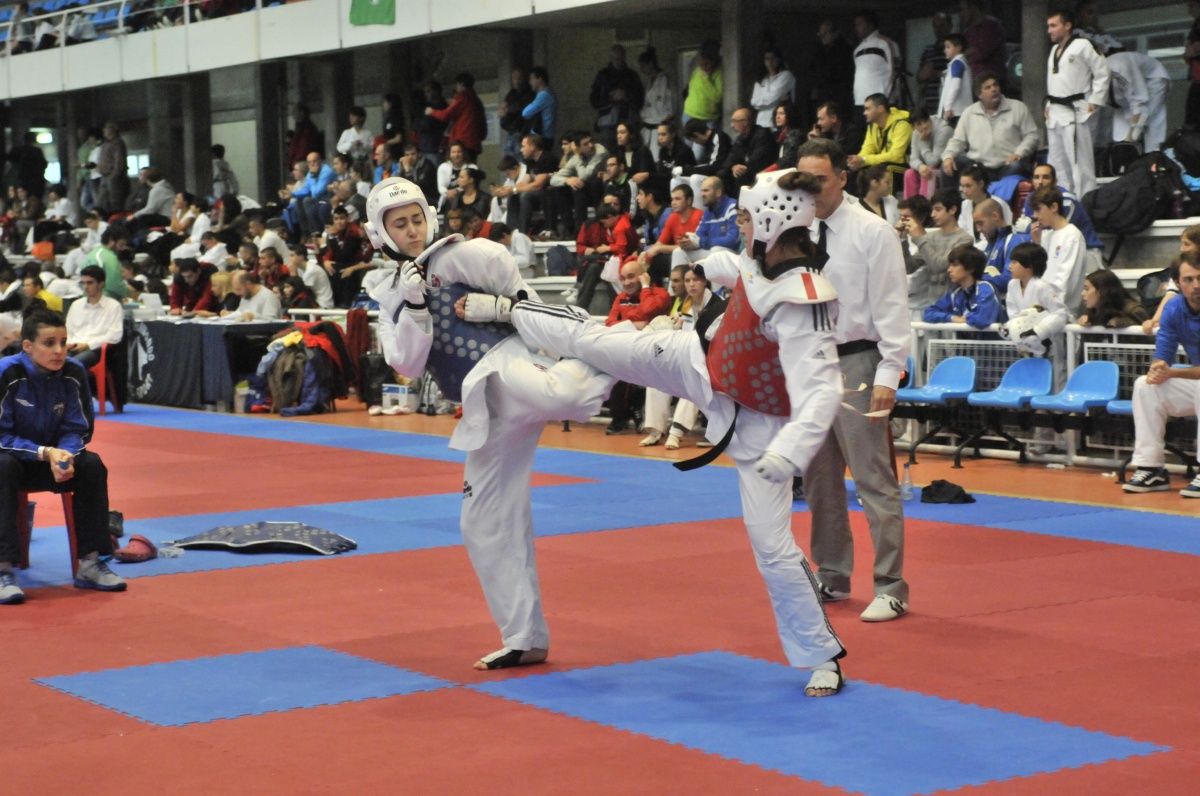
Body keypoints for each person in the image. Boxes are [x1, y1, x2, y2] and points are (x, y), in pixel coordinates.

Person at [504, 168, 850, 695]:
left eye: (744, 218)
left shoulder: (804, 296)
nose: (740, 227)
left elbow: (823, 389)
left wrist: (791, 451)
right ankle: (507, 308)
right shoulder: (757, 262)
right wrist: (704, 263)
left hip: (763, 428)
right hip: (695, 361)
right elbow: (736, 269)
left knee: (772, 546)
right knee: (595, 344)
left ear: (769, 221)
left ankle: (821, 655)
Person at [365, 176, 612, 669]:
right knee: (481, 520)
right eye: (400, 224)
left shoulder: (458, 256)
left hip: (504, 362)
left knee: (566, 393)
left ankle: (616, 346)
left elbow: (516, 290)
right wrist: (414, 304)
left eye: (417, 219)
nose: (412, 231)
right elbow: (409, 365)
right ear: (381, 233)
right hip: (482, 407)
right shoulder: (390, 294)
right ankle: (524, 635)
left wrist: (500, 306)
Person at [796, 138, 911, 623]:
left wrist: (891, 369)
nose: (812, 189)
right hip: (809, 363)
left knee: (873, 479)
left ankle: (891, 585)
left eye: (820, 179)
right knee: (819, 480)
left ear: (843, 177)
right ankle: (833, 573)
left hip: (860, 363)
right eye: (803, 180)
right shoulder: (795, 230)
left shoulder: (872, 231)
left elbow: (892, 307)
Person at [0, 307, 127, 605]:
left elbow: (78, 427)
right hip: (14, 460)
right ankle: (3, 569)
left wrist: (66, 456)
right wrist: (44, 453)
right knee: (0, 467)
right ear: (28, 346)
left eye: (63, 341)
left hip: (57, 462)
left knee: (92, 464)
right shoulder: (7, 373)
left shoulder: (73, 372)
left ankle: (90, 563)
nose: (59, 351)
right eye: (49, 343)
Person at [1123, 253, 1200, 496]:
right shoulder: (1174, 308)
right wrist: (1158, 371)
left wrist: (1172, 374)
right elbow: (1162, 354)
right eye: (1189, 279)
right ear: (1178, 283)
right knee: (1145, 385)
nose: (1196, 285)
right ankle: (1151, 468)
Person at [639, 265, 726, 450]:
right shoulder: (684, 303)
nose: (691, 284)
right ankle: (656, 431)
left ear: (705, 281)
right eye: (687, 281)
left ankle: (676, 433)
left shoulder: (717, 305)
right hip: (682, 357)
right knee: (656, 379)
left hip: (709, 363)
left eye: (696, 280)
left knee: (692, 381)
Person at [1045, 8, 1110, 199]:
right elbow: (1054, 82)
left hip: (1076, 111)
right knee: (1058, 162)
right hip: (1055, 112)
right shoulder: (1053, 50)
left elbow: (1102, 72)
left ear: (1067, 26)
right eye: (1048, 26)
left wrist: (1095, 101)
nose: (1049, 30)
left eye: (1053, 25)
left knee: (1081, 164)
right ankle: (1065, 200)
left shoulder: (1083, 45)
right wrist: (1047, 106)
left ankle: (1086, 202)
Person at [941, 74, 1039, 180]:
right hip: (979, 167)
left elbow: (1032, 135)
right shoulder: (969, 113)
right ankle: (951, 196)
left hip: (1009, 164)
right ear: (979, 94)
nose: (994, 89)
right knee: (950, 164)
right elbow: (957, 141)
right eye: (987, 87)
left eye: (995, 85)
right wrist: (948, 156)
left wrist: (1019, 153)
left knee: (1016, 166)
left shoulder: (1018, 107)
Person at [906, 189, 974, 316]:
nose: (932, 214)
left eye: (937, 209)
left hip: (952, 305)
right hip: (929, 304)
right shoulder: (930, 237)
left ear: (952, 210)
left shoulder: (965, 239)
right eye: (932, 210)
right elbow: (910, 267)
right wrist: (903, 240)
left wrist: (920, 239)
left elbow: (940, 266)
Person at [1030, 186, 1087, 316]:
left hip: (1062, 314)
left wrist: (1047, 308)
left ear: (1054, 207)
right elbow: (1038, 274)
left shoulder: (1072, 236)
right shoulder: (1046, 235)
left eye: (1038, 209)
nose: (1035, 216)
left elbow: (1065, 282)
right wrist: (1037, 244)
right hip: (1043, 310)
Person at [1106, 49, 1170, 154]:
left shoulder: (1118, 68)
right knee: (1122, 126)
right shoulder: (1092, 76)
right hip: (1126, 85)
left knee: (1148, 118)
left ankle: (1153, 156)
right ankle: (1122, 154)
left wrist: (1131, 137)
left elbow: (1139, 102)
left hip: (1153, 78)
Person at [922, 244, 1002, 328]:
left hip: (992, 340)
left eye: (955, 265)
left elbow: (982, 319)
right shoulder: (956, 293)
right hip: (966, 341)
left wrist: (965, 319)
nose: (949, 270)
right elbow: (928, 313)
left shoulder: (986, 289)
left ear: (971, 268)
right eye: (950, 265)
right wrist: (952, 318)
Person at [671, 176, 738, 268]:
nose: (702, 194)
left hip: (733, 255)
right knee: (679, 252)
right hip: (712, 251)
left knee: (716, 251)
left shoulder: (732, 207)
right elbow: (699, 235)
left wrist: (701, 242)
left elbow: (732, 240)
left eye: (706, 191)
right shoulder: (708, 211)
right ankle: (678, 282)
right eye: (701, 191)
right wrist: (690, 241)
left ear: (718, 192)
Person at [848, 94, 912, 187]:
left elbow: (896, 157)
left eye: (868, 109)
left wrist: (864, 160)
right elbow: (867, 149)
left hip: (903, 168)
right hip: (882, 164)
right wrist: (857, 161)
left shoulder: (901, 125)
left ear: (881, 109)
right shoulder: (873, 126)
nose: (864, 113)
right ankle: (858, 201)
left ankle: (888, 201)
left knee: (886, 169)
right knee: (854, 171)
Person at [974, 197, 1030, 298]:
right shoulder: (988, 245)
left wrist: (974, 276)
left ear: (995, 216)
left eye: (980, 223)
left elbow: (1011, 280)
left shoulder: (1014, 241)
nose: (978, 229)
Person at [590, 45, 644, 145]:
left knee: (629, 148)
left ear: (624, 57)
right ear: (611, 58)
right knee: (609, 150)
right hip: (608, 121)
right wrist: (611, 98)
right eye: (616, 59)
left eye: (621, 58)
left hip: (628, 119)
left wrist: (626, 96)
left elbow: (640, 99)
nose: (619, 61)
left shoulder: (632, 75)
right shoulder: (602, 75)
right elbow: (594, 99)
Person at [427, 74, 488, 161]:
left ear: (461, 84)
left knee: (460, 169)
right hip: (474, 143)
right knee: (471, 169)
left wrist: (432, 112)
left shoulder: (462, 97)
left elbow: (446, 115)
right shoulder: (477, 100)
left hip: (462, 142)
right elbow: (482, 123)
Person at [851, 12, 895, 112]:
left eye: (860, 24)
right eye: (856, 25)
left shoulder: (884, 43)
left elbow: (892, 72)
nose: (857, 27)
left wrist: (885, 97)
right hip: (860, 100)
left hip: (878, 102)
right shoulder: (857, 49)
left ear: (870, 24)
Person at [1077, 268, 1149, 328]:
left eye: (1087, 289)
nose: (1082, 293)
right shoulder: (1092, 312)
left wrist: (1125, 323)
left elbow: (1151, 338)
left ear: (1102, 291)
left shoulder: (1133, 310)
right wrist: (1087, 323)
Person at [638, 48, 676, 158]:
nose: (641, 69)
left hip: (660, 125)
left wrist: (666, 123)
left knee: (658, 157)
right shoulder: (649, 80)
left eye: (643, 66)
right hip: (647, 126)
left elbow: (671, 106)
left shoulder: (665, 80)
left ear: (651, 64)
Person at [904, 109, 950, 199]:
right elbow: (913, 159)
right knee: (909, 173)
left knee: (928, 172)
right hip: (929, 168)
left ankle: (925, 208)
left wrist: (923, 142)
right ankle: (910, 207)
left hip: (946, 168)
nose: (924, 126)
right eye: (919, 124)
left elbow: (933, 162)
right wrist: (920, 166)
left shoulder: (944, 130)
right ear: (913, 127)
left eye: (925, 121)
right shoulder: (916, 133)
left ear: (929, 118)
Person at [750, 48, 796, 129]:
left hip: (779, 123)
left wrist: (761, 101)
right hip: (761, 122)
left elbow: (773, 96)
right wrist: (772, 100)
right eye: (767, 59)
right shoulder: (761, 80)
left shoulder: (786, 76)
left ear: (778, 59)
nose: (770, 62)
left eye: (773, 58)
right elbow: (753, 102)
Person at [499, 68, 534, 161]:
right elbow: (502, 109)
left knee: (521, 161)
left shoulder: (529, 93)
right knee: (509, 160)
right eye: (514, 78)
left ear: (523, 79)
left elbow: (522, 110)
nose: (516, 81)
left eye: (519, 78)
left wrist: (510, 110)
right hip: (510, 131)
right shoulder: (511, 93)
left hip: (522, 131)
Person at [938, 34, 972, 126]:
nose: (945, 50)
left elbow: (955, 86)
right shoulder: (962, 62)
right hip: (961, 110)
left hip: (955, 111)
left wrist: (948, 107)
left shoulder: (957, 63)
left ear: (958, 48)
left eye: (948, 47)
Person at [523, 67, 558, 143]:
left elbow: (526, 113)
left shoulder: (544, 95)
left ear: (540, 79)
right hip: (546, 137)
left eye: (532, 79)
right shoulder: (547, 93)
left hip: (543, 138)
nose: (530, 82)